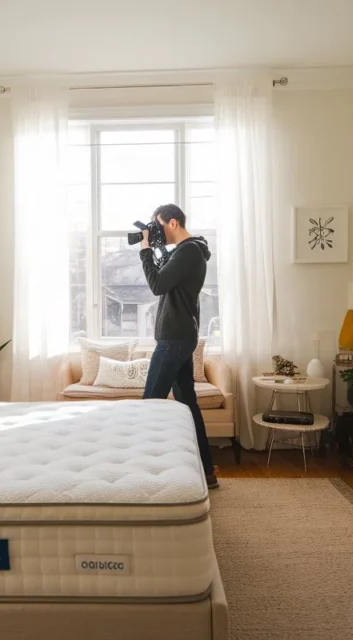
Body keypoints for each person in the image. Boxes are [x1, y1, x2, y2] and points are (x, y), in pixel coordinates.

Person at [140, 204, 218, 490]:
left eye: (159, 225)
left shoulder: (189, 252)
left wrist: (146, 251)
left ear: (173, 222)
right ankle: (207, 472)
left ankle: (145, 473)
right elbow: (166, 277)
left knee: (150, 403)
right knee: (187, 404)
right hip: (179, 335)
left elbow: (157, 285)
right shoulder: (187, 252)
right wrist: (156, 248)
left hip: (174, 337)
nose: (157, 231)